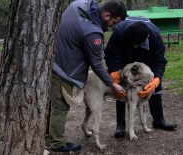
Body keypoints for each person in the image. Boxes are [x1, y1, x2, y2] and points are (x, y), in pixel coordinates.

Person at [49, 0, 127, 152]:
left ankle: (50, 132)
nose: (112, 26)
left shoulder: (79, 5)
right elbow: (97, 64)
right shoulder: (93, 33)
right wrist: (113, 84)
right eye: (113, 22)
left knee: (53, 104)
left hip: (53, 57)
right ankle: (57, 144)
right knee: (60, 106)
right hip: (63, 68)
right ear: (106, 15)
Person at [105, 16, 177, 138]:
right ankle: (121, 125)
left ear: (146, 38)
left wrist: (156, 80)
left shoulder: (155, 37)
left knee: (154, 81)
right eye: (132, 43)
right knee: (122, 86)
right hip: (124, 55)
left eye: (137, 44)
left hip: (147, 55)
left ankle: (158, 119)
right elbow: (109, 53)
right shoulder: (120, 32)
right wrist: (114, 72)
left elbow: (160, 62)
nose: (134, 46)